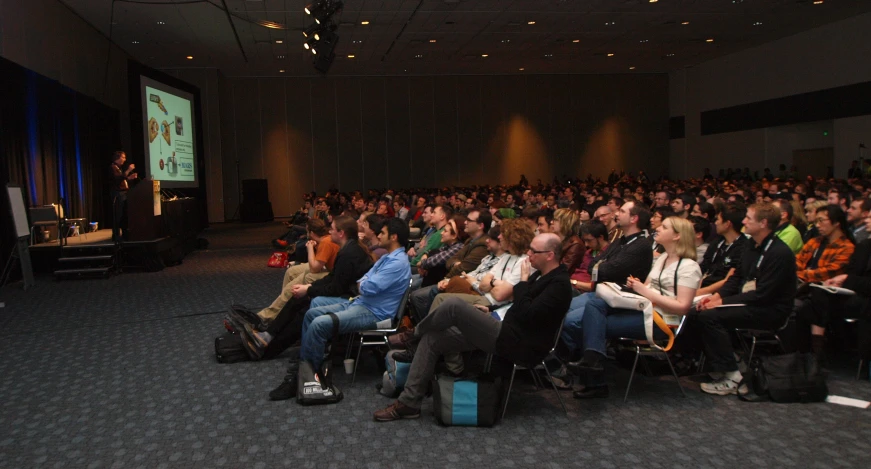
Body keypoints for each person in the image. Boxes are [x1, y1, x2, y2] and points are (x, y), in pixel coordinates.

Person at [372, 233, 572, 422]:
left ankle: (412, 335)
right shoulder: (543, 275)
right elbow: (517, 306)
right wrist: (489, 307)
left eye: (533, 251)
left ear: (549, 255)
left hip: (520, 344)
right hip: (506, 329)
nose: (528, 254)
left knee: (453, 306)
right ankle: (409, 403)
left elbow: (527, 314)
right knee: (433, 338)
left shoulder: (559, 285)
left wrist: (524, 282)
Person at [269, 218, 412, 400]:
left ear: (394, 237)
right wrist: (364, 283)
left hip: (374, 313)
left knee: (319, 324)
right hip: (363, 303)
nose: (379, 235)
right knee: (312, 312)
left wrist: (364, 283)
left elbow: (366, 286)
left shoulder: (397, 263)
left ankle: (307, 375)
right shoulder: (387, 258)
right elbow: (365, 280)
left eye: (382, 233)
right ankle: (304, 369)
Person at [570, 217, 702, 398]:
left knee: (593, 322)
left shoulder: (689, 267)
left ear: (677, 236)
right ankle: (593, 366)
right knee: (596, 303)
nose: (658, 229)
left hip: (661, 321)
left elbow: (682, 307)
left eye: (664, 227)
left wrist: (644, 291)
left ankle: (594, 373)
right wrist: (638, 287)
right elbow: (647, 288)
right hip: (644, 309)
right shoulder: (663, 258)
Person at [696, 203, 797, 395]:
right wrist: (716, 297)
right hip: (750, 301)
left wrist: (722, 303)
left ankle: (732, 376)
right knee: (699, 310)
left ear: (763, 223)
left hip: (770, 309)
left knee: (710, 317)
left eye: (749, 218)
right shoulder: (751, 245)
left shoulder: (779, 253)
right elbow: (736, 277)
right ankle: (724, 363)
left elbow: (763, 294)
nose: (743, 221)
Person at [242, 216, 373, 362]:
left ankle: (271, 345)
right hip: (347, 293)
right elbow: (333, 278)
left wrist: (309, 290)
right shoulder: (350, 248)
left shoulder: (349, 253)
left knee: (304, 308)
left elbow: (336, 288)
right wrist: (310, 287)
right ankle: (269, 335)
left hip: (350, 298)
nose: (329, 232)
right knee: (300, 299)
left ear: (341, 233)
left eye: (332, 229)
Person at [257, 218, 339, 321]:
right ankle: (284, 308)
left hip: (332, 273)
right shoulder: (322, 241)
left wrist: (310, 249)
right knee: (291, 272)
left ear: (312, 233)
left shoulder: (325, 242)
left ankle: (268, 316)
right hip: (327, 268)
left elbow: (314, 269)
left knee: (302, 279)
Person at [697, 203, 749, 296]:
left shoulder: (743, 247)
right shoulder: (717, 241)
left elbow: (728, 280)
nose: (716, 223)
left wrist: (699, 292)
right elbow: (704, 266)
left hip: (719, 293)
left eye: (718, 220)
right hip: (701, 285)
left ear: (727, 224)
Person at [109, 151, 137, 242]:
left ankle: (125, 234)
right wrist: (128, 170)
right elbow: (117, 179)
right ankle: (116, 236)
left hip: (123, 193)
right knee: (119, 215)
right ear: (118, 157)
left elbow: (121, 180)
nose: (125, 160)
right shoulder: (113, 167)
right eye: (123, 157)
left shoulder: (118, 168)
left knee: (124, 215)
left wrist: (129, 178)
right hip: (118, 194)